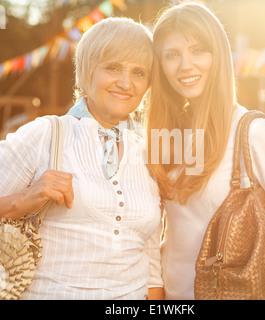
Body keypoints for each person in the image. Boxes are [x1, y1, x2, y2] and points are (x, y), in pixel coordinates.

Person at [0, 17, 164, 300]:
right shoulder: (47, 134)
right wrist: (22, 200)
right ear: (88, 71)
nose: (126, 83)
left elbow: (151, 264)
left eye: (139, 72)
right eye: (113, 67)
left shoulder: (150, 153)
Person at [147, 1, 265, 300]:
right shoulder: (163, 135)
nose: (185, 65)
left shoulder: (252, 131)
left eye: (198, 50)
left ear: (218, 55)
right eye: (172, 55)